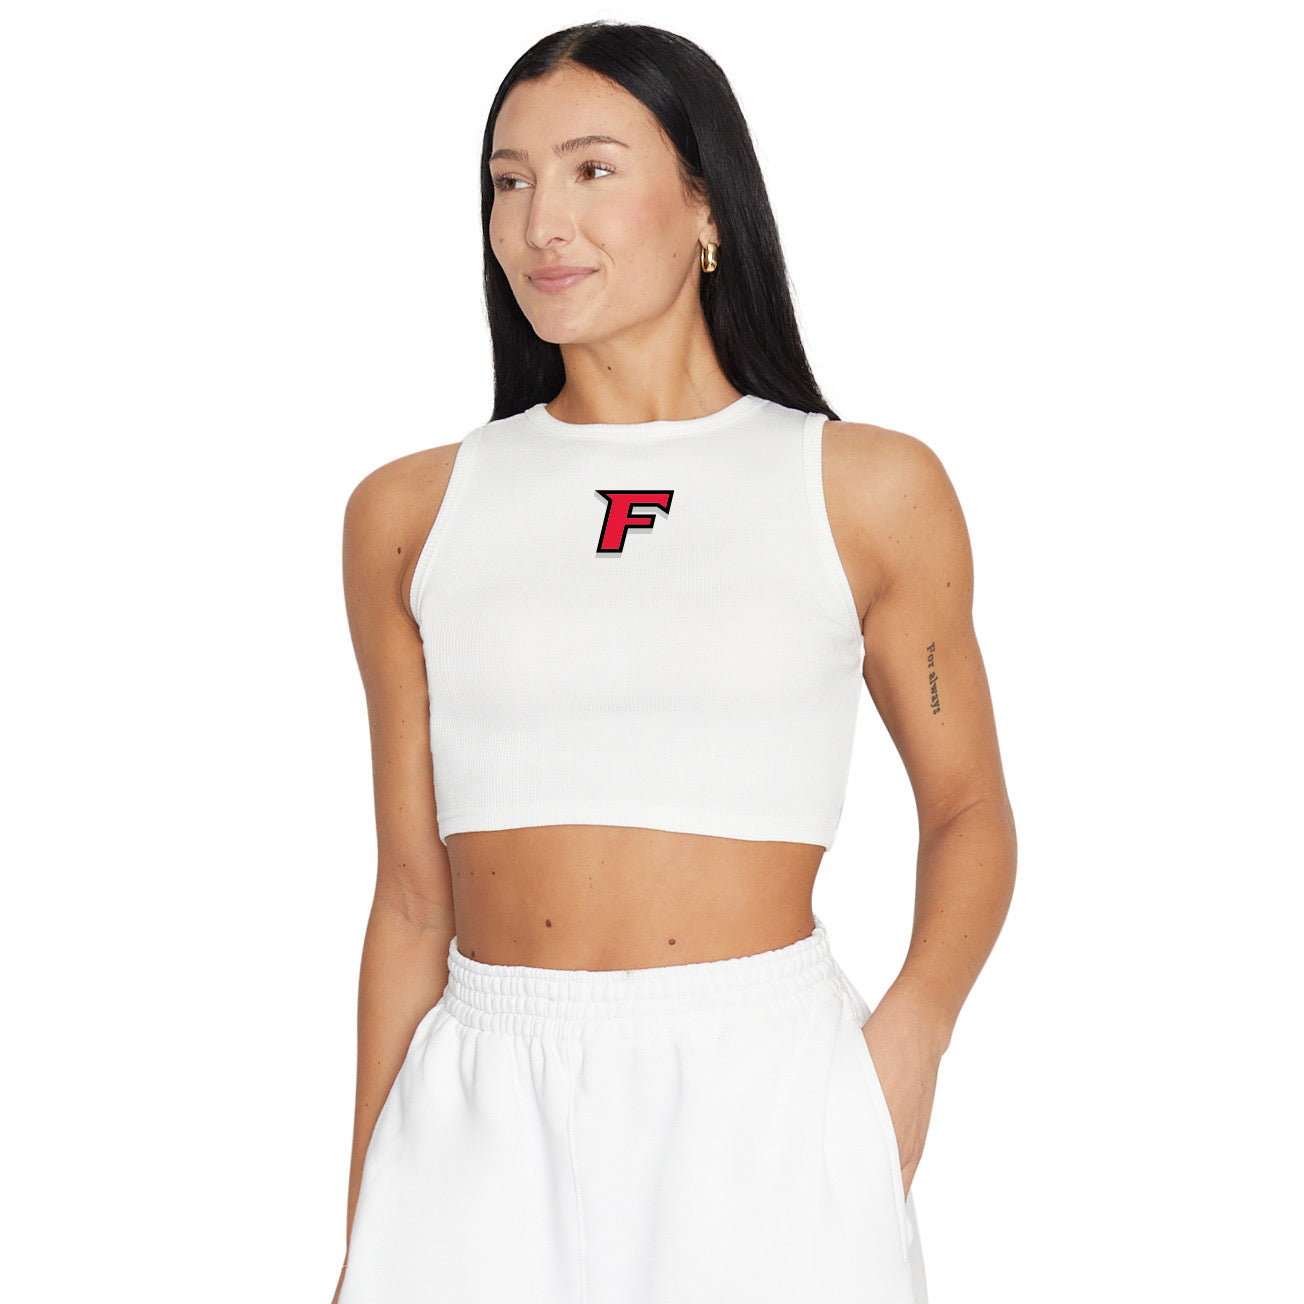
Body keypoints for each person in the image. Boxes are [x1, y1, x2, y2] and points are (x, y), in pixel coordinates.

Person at [331, 20, 1016, 1304]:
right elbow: (413, 900)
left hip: (767, 1086)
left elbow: (968, 807)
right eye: (509, 180)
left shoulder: (864, 487)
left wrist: (911, 1037)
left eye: (591, 170)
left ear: (706, 205)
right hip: (478, 1104)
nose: (541, 222)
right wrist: (364, 1226)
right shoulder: (410, 512)